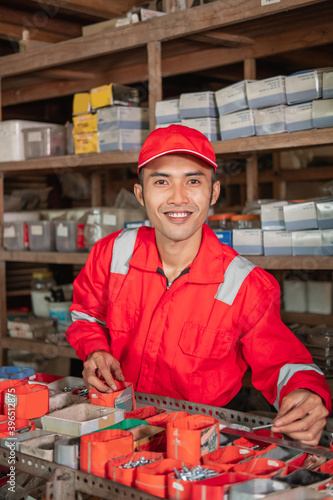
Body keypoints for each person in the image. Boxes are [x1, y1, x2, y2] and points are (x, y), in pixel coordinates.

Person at [66, 124, 331, 446]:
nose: (178, 198)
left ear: (214, 192)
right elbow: (86, 315)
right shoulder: (112, 253)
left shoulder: (246, 284)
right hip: (114, 422)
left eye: (193, 181)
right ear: (140, 194)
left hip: (197, 439)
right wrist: (95, 349)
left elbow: (282, 361)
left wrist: (306, 393)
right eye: (161, 181)